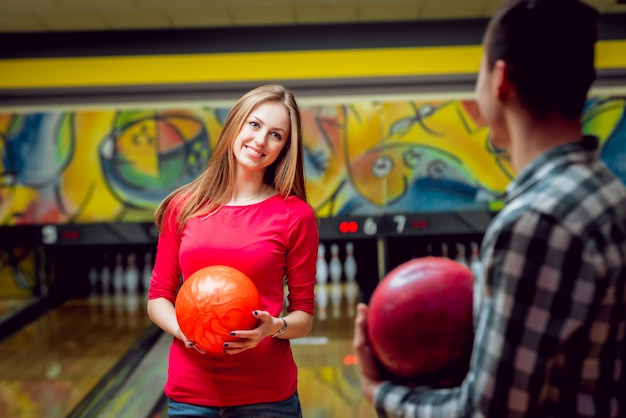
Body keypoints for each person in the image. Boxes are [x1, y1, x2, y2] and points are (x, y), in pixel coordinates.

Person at [353, 0, 626, 417]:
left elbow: (487, 412)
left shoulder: (537, 222)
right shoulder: (606, 193)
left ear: (499, 80)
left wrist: (380, 391)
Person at [147, 84, 319, 417]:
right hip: (191, 393)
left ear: (285, 147)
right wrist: (186, 330)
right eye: (254, 125)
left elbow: (304, 317)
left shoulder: (295, 216)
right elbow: (158, 297)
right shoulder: (183, 207)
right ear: (236, 124)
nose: (260, 140)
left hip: (267, 395)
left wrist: (274, 327)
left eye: (276, 135)